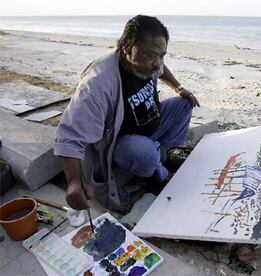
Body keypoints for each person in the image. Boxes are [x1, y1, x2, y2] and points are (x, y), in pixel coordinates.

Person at [54, 15, 200, 212]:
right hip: (122, 144)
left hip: (149, 125)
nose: (157, 63)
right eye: (150, 55)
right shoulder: (97, 84)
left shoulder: (149, 64)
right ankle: (158, 174)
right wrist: (73, 182)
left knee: (184, 104)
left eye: (162, 55)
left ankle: (164, 153)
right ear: (126, 47)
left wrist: (179, 87)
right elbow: (70, 136)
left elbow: (161, 68)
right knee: (143, 153)